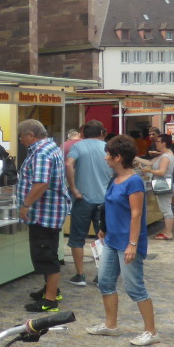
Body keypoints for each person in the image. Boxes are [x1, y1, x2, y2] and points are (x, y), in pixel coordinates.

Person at [86, 135, 159, 345]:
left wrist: (132, 244)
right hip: (111, 240)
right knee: (105, 282)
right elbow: (110, 206)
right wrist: (104, 229)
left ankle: (151, 331)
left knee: (135, 287)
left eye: (108, 154)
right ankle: (111, 325)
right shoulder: (115, 179)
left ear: (118, 157)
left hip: (128, 242)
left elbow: (136, 215)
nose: (105, 158)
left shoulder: (134, 181)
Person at [17, 119, 71, 313]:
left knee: (45, 255)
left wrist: (25, 204)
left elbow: (41, 183)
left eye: (21, 136)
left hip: (43, 213)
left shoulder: (40, 153)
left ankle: (50, 300)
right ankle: (51, 289)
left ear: (31, 135)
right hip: (51, 211)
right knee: (48, 252)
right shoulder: (51, 148)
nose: (21, 140)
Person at [65, 120, 111, 286]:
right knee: (104, 237)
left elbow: (69, 163)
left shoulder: (78, 146)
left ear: (83, 134)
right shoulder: (108, 148)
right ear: (102, 133)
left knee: (77, 238)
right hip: (106, 200)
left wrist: (73, 188)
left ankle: (80, 275)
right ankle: (102, 275)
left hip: (82, 198)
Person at [143, 133, 174, 240]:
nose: (155, 143)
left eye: (157, 141)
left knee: (166, 208)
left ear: (164, 143)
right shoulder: (164, 155)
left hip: (164, 184)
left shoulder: (165, 157)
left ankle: (168, 232)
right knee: (165, 207)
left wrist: (149, 170)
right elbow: (149, 162)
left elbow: (162, 172)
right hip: (165, 183)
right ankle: (167, 230)